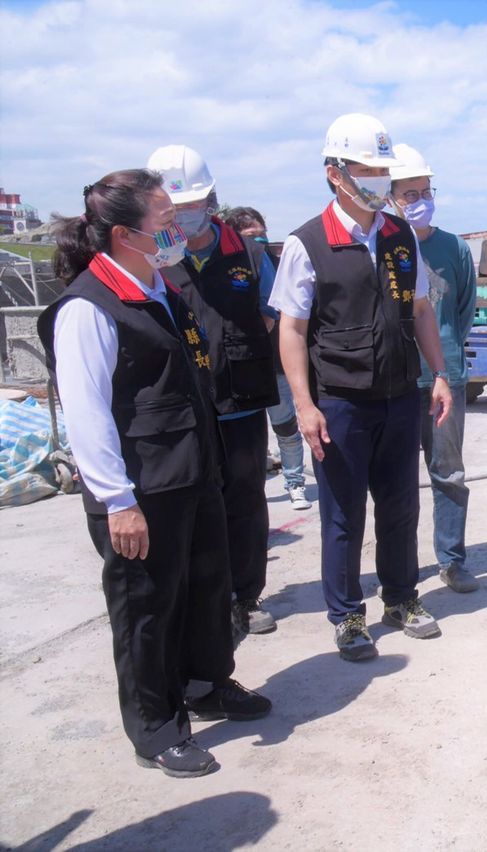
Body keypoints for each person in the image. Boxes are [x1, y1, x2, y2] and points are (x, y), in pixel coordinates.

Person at [37, 169, 269, 778]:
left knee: (205, 589)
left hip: (192, 473)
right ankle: (155, 727)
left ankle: (206, 683)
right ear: (124, 234)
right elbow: (87, 414)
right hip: (142, 490)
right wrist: (117, 501)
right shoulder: (88, 308)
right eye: (166, 223)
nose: (178, 232)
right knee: (147, 609)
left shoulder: (159, 288)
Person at [270, 113, 453, 661]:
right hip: (340, 402)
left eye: (381, 169)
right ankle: (348, 615)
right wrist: (304, 404)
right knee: (343, 516)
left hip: (399, 395)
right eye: (366, 169)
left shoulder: (399, 235)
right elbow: (291, 330)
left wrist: (439, 373)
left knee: (400, 507)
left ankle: (401, 598)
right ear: (335, 173)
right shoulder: (306, 243)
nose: (377, 179)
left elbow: (421, 309)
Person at [145, 146, 281, 636]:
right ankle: (208, 600)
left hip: (241, 400)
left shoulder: (248, 252)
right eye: (174, 208)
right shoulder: (154, 257)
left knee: (246, 500)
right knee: (197, 505)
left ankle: (246, 595)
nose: (185, 215)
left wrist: (235, 345)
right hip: (184, 407)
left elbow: (274, 310)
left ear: (212, 199)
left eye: (193, 204)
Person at [388, 144, 479, 594]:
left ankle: (452, 560)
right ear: (390, 198)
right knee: (397, 481)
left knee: (448, 473)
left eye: (426, 191)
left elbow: (463, 312)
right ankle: (401, 570)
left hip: (446, 379)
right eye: (410, 193)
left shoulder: (454, 248)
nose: (420, 200)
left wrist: (444, 359)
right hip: (396, 382)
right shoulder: (383, 245)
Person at [223, 205, 311, 511]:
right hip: (237, 367)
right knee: (247, 435)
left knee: (285, 427)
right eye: (251, 237)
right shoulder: (224, 269)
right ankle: (251, 488)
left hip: (274, 363)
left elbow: (276, 312)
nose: (259, 242)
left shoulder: (274, 263)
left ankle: (295, 483)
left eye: (262, 235)